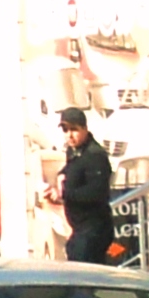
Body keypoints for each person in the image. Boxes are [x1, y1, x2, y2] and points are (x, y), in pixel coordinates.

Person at [43, 107, 113, 264]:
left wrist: (64, 194)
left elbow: (97, 192)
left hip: (94, 229)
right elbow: (71, 170)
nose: (70, 135)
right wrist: (59, 178)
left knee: (85, 275)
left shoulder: (95, 156)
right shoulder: (73, 151)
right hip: (79, 228)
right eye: (66, 130)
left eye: (74, 129)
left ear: (85, 129)